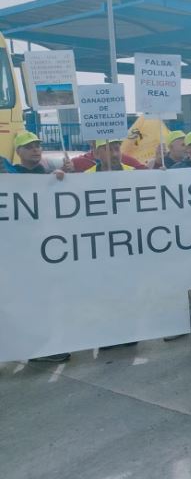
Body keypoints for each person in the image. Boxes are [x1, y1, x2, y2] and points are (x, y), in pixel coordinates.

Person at [8, 132, 70, 362]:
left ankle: (43, 346)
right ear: (18, 152)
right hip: (20, 251)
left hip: (44, 249)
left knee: (44, 300)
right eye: (29, 146)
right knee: (26, 300)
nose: (35, 149)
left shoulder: (48, 174)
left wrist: (64, 177)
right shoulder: (10, 176)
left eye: (37, 145)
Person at [72, 141, 146, 171]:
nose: (114, 154)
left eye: (117, 149)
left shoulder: (133, 173)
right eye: (108, 150)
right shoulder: (87, 176)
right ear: (97, 153)